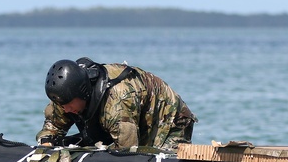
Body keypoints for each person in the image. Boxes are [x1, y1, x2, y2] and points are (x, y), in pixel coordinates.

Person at [36, 58, 196, 151]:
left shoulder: (116, 103)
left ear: (83, 93)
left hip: (169, 117)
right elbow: (51, 129)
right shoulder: (65, 95)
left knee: (152, 159)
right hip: (131, 113)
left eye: (68, 105)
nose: (65, 109)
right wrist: (47, 143)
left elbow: (128, 151)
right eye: (61, 104)